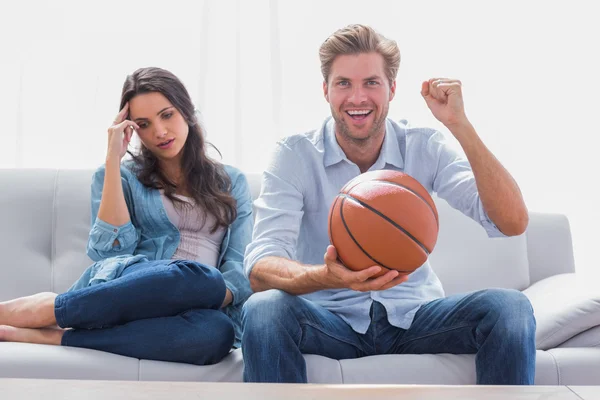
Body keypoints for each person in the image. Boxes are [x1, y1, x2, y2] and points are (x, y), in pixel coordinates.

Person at [242, 24, 535, 384]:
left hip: (416, 317)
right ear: (326, 90)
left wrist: (460, 125)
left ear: (392, 88)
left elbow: (513, 222)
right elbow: (261, 267)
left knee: (510, 308)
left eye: (371, 83)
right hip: (330, 320)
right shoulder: (294, 156)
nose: (357, 97)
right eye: (343, 83)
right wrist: (326, 277)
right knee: (263, 310)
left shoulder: (423, 145)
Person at [0, 67, 253, 365]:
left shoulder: (231, 181)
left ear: (187, 112)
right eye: (144, 124)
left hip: (199, 302)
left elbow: (240, 262)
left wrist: (207, 295)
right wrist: (112, 159)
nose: (159, 131)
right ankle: (51, 310)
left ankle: (58, 334)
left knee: (217, 332)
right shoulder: (121, 176)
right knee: (196, 277)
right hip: (136, 288)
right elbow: (109, 253)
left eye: (167, 115)